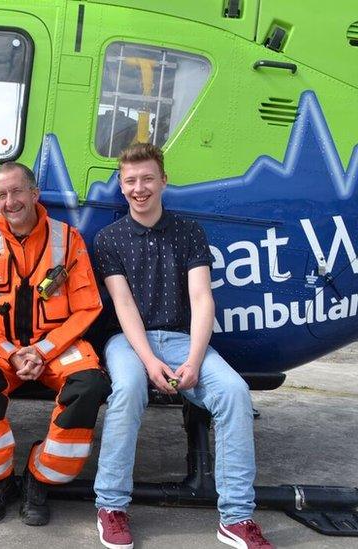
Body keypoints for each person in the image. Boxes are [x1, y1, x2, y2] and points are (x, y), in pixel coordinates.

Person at [91, 143, 274, 549]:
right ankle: (111, 506)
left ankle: (237, 518)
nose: (139, 188)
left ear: (163, 181)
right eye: (131, 181)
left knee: (233, 391)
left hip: (183, 339)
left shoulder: (189, 232)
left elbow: (202, 298)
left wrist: (192, 361)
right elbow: (123, 305)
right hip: (127, 341)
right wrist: (149, 361)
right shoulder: (109, 239)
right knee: (129, 389)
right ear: (121, 186)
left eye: (147, 179)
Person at [0, 162, 112, 527]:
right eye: (1, 195)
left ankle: (39, 480)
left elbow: (88, 307)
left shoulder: (68, 239)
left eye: (17, 191)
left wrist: (43, 350)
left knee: (89, 385)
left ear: (35, 193)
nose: (10, 201)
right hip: (0, 347)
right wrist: (13, 352)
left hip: (57, 346)